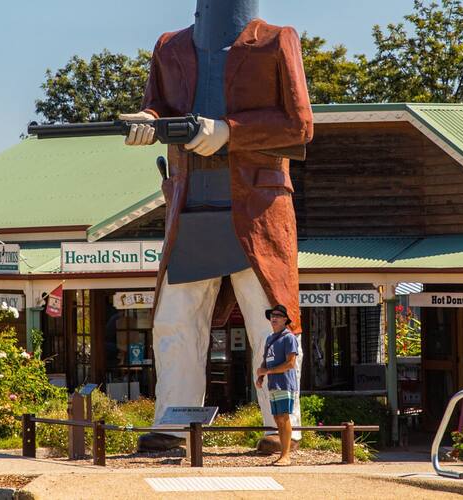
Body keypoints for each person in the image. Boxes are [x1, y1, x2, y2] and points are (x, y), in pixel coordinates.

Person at [123, 0, 314, 454]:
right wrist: (147, 122)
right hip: (190, 206)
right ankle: (172, 426)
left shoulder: (276, 39)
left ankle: (281, 428)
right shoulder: (169, 47)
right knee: (174, 321)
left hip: (258, 211)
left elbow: (300, 125)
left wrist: (229, 131)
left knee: (271, 324)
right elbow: (157, 106)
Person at [255, 304, 299, 466]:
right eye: (272, 315)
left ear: (285, 319)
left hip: (285, 383)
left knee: (284, 417)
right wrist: (261, 376)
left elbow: (290, 363)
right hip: (273, 383)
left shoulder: (289, 337)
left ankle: (286, 455)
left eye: (278, 315)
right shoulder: (269, 338)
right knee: (277, 419)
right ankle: (282, 453)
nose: (274, 318)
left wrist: (267, 371)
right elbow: (267, 359)